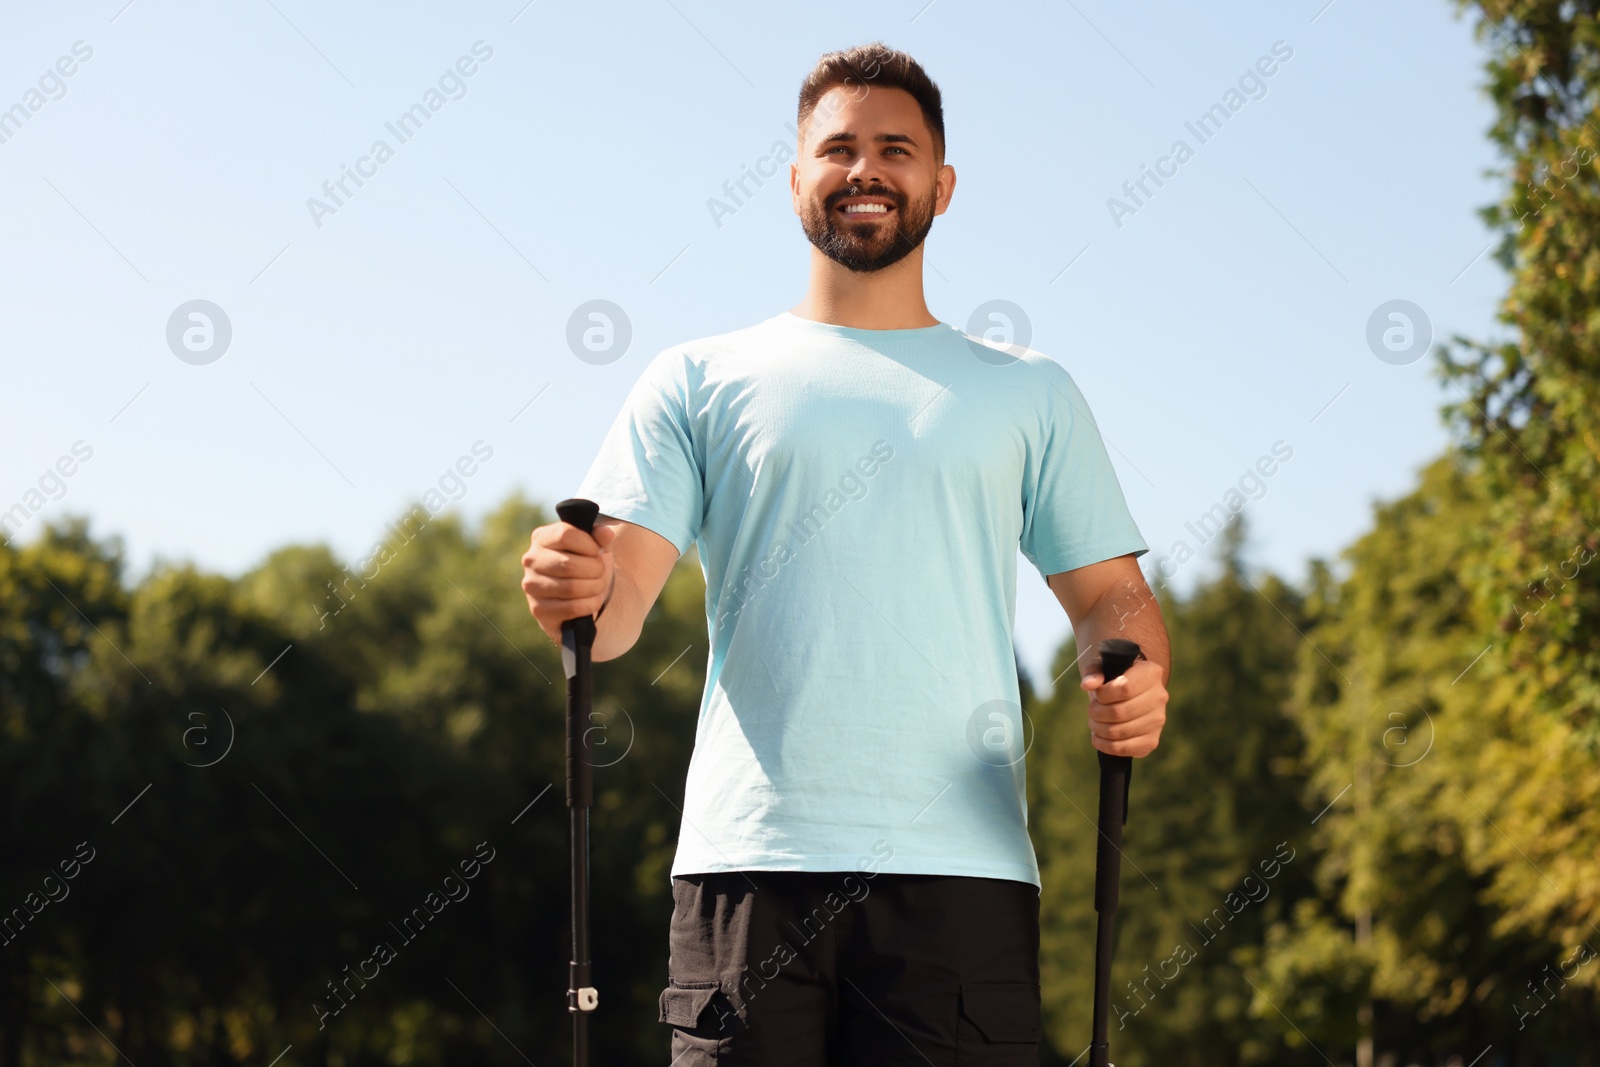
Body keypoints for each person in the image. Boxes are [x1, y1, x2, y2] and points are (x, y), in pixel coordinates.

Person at [521, 41, 1171, 1066]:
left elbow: (1109, 597)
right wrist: (577, 584)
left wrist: (1133, 670)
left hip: (962, 874)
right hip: (747, 868)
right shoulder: (694, 378)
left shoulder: (1027, 391)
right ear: (793, 182)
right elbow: (616, 604)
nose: (865, 169)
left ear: (941, 185)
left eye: (896, 149)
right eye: (838, 149)